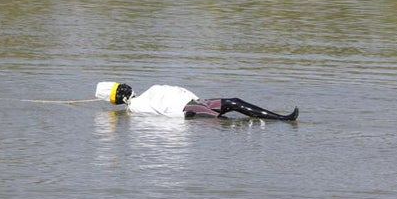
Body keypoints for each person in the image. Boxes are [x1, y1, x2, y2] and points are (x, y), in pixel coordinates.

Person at [96, 82, 299, 121]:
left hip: (196, 102)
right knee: (229, 122)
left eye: (123, 85)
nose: (126, 88)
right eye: (121, 89)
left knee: (234, 102)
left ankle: (279, 118)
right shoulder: (136, 108)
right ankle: (279, 120)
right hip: (190, 110)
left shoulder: (142, 99)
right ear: (118, 98)